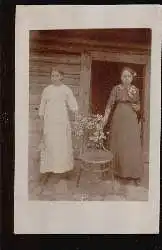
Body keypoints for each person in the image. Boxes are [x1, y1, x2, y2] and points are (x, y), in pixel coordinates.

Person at [102, 66, 143, 186]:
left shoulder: (135, 90)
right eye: (124, 76)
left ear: (132, 78)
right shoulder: (116, 89)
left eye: (129, 76)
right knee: (118, 143)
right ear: (121, 77)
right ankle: (116, 172)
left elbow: (138, 104)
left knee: (131, 144)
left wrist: (138, 107)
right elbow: (110, 104)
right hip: (118, 117)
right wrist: (105, 118)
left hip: (131, 118)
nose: (126, 78)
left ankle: (133, 174)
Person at [38, 68, 78, 181]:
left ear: (62, 77)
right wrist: (41, 118)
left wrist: (75, 116)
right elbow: (42, 106)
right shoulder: (47, 90)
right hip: (49, 122)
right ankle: (47, 170)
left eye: (56, 76)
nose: (54, 78)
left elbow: (73, 106)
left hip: (61, 123)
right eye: (52, 76)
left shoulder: (66, 90)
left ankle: (64, 170)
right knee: (49, 146)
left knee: (62, 146)